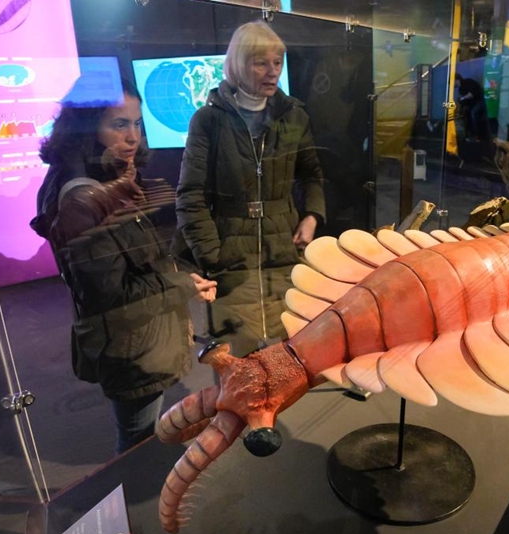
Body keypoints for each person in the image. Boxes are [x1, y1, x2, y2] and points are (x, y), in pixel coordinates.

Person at [30, 77, 217, 455]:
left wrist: (178, 277)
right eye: (119, 124)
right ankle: (133, 508)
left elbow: (130, 263)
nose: (133, 137)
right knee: (139, 444)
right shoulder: (84, 198)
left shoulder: (110, 180)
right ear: (86, 127)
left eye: (137, 123)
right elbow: (112, 297)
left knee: (145, 435)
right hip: (130, 346)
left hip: (141, 339)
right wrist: (181, 287)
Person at [175, 21, 326, 358]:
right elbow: (190, 196)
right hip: (231, 253)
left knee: (287, 352)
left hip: (281, 249)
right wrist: (212, 254)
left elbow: (311, 174)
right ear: (238, 65)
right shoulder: (209, 120)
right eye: (261, 63)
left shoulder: (294, 117)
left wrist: (312, 216)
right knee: (235, 358)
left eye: (277, 62)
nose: (272, 72)